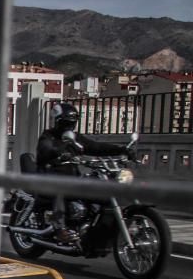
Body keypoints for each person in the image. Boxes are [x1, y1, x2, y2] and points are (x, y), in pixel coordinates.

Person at [36, 102, 132, 243]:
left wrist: (122, 150)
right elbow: (45, 148)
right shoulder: (48, 136)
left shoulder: (76, 138)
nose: (68, 126)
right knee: (59, 189)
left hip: (73, 180)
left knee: (98, 188)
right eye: (65, 123)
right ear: (56, 122)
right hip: (50, 179)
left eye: (72, 123)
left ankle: (95, 229)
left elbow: (96, 147)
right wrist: (58, 151)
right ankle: (59, 229)